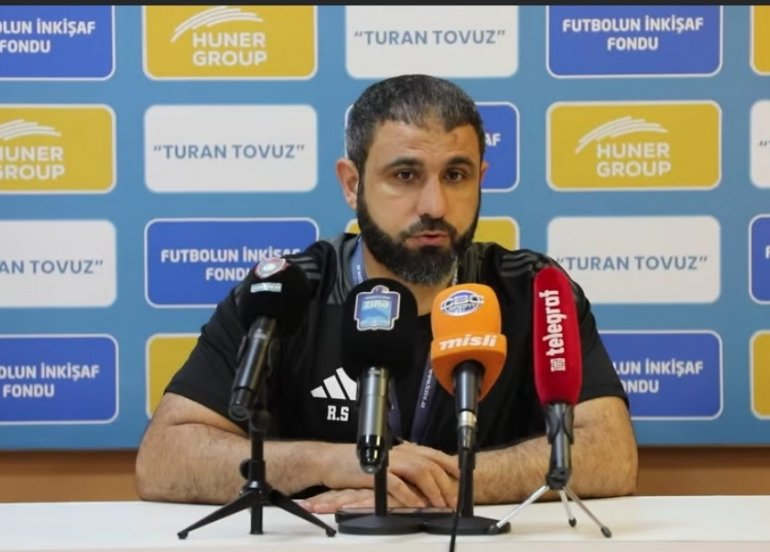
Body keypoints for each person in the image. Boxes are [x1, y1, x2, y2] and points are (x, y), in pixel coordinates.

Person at [135, 74, 638, 513]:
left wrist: (438, 485)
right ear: (352, 184)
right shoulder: (287, 292)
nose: (434, 205)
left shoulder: (532, 289)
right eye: (405, 175)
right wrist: (329, 463)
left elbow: (612, 454)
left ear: (481, 179)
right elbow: (162, 460)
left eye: (456, 175)